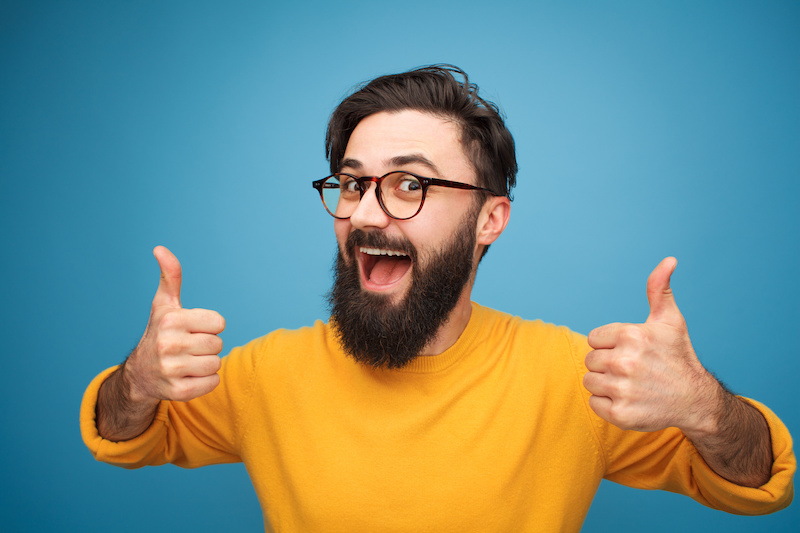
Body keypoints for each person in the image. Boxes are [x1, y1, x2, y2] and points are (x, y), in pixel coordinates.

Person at [81, 65, 794, 532]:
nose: (363, 213)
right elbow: (125, 435)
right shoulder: (265, 374)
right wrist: (138, 380)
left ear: (490, 218)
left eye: (409, 184)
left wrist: (704, 405)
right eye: (354, 182)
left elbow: (757, 479)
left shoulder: (577, 376)